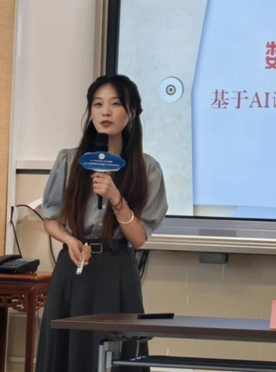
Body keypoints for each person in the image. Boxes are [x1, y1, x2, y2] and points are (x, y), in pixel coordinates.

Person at [36, 74, 168, 372]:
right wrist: (70, 240)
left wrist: (115, 197)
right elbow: (51, 219)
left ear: (132, 112)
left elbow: (139, 239)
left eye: (115, 104)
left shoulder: (147, 168)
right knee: (66, 350)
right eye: (98, 104)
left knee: (116, 351)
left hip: (116, 268)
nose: (105, 112)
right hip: (74, 267)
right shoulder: (69, 161)